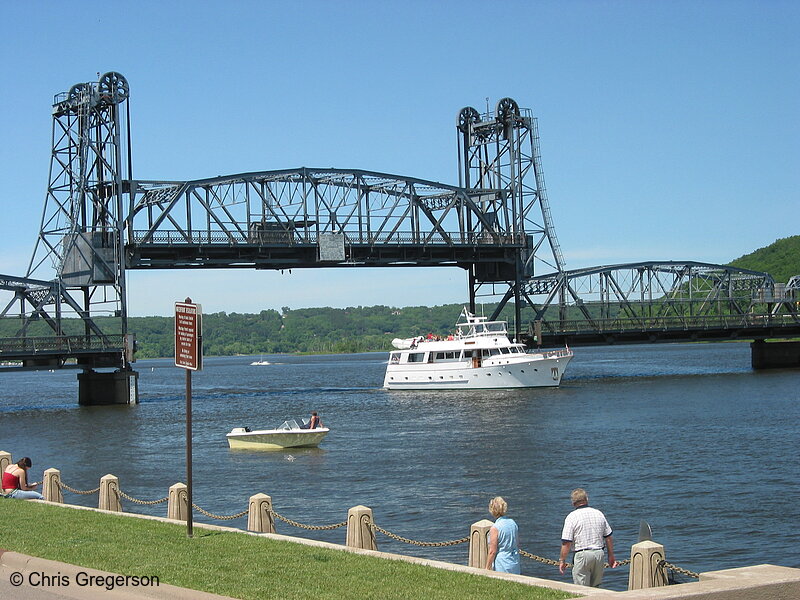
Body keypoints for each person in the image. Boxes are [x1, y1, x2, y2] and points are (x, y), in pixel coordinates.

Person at [559, 488, 618, 587]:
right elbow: (608, 537)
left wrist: (562, 560)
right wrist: (611, 556)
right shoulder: (598, 514)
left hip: (582, 555)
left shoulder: (571, 517)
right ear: (587, 499)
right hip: (599, 554)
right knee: (596, 588)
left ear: (573, 503)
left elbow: (566, 543)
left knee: (582, 589)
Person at [485, 496, 520, 574]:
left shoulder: (495, 528)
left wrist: (487, 567)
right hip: (514, 560)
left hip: (502, 563)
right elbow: (517, 544)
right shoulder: (513, 523)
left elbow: (492, 551)